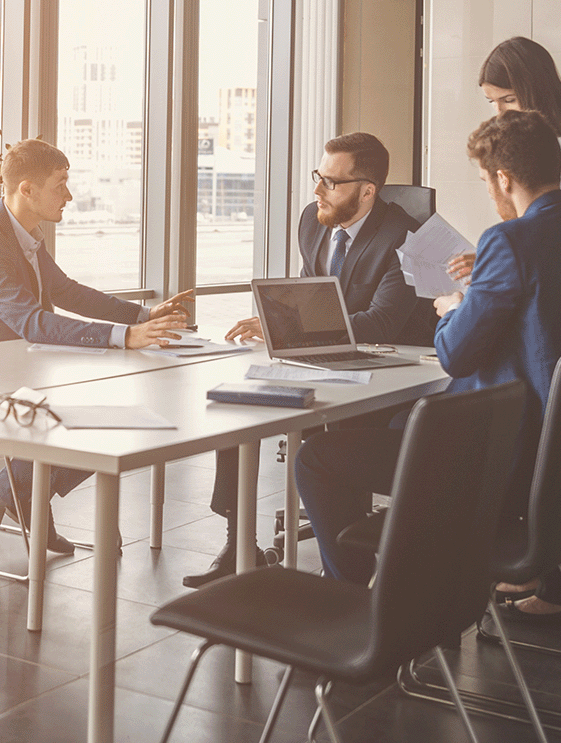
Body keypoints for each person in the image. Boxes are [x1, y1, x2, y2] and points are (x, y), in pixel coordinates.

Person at [293, 110, 561, 602]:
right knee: (398, 428)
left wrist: (456, 305)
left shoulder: (508, 241)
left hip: (502, 459)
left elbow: (455, 354)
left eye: (486, 181)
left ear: (503, 178)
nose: (489, 192)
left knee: (317, 458)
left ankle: (354, 602)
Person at [183, 132, 434, 588]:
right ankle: (240, 546)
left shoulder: (406, 238)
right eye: (318, 177)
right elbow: (310, 296)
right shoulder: (312, 222)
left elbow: (380, 324)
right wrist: (278, 322)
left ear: (366, 191)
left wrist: (292, 329)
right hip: (322, 360)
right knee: (241, 404)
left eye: (331, 183)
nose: (317, 190)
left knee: (329, 442)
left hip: (387, 374)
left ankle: (347, 566)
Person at [0, 138, 192, 568]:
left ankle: (9, 494)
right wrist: (125, 336)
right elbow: (32, 322)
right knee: (83, 424)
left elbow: (65, 292)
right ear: (27, 189)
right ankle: (1, 496)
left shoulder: (23, 235)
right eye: (60, 184)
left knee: (101, 422)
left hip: (25, 369)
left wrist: (142, 313)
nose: (69, 195)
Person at [448, 36, 561, 285]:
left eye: (509, 100)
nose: (501, 113)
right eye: (493, 102)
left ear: (537, 92)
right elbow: (542, 239)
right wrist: (495, 260)